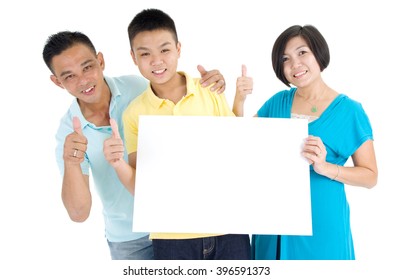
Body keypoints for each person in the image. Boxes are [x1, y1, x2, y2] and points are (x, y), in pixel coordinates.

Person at [42, 30, 227, 260]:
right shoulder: (68, 134)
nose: (83, 81)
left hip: (177, 224)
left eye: (87, 67)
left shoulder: (137, 87)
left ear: (100, 61)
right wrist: (71, 162)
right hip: (130, 242)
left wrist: (212, 84)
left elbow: (186, 110)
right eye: (69, 76)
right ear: (57, 82)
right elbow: (79, 214)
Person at [104, 8, 251, 260]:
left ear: (178, 49)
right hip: (171, 236)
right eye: (145, 54)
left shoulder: (210, 91)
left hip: (228, 226)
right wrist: (117, 164)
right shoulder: (133, 114)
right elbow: (141, 186)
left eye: (165, 50)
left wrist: (240, 99)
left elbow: (235, 149)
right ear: (133, 57)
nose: (157, 61)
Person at [233, 25, 378, 260]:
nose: (295, 64)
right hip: (272, 221)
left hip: (322, 227)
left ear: (318, 53)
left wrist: (326, 168)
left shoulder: (350, 111)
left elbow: (371, 176)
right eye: (285, 59)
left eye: (302, 53)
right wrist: (239, 99)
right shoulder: (277, 102)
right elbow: (239, 146)